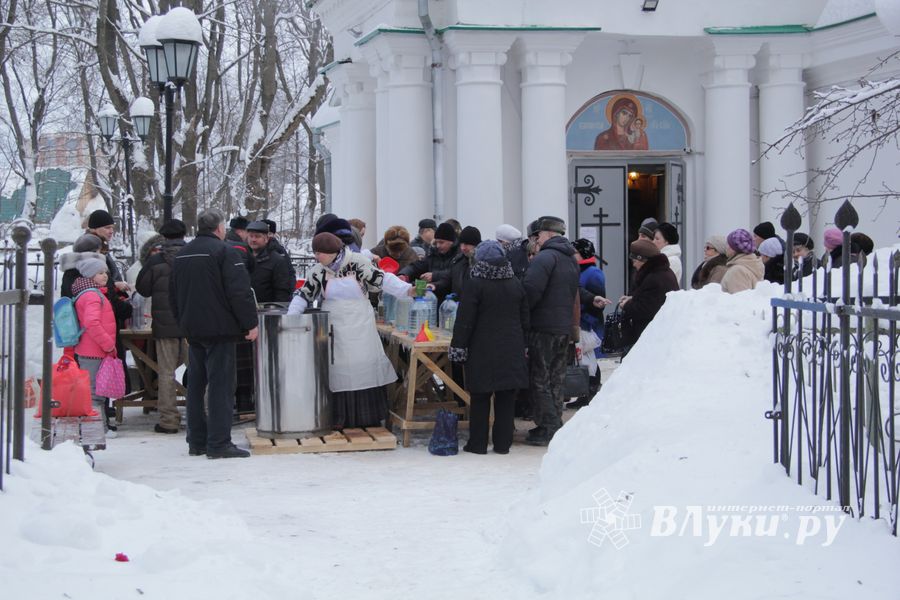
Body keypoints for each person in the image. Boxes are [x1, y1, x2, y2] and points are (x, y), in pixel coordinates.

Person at [287, 232, 412, 429]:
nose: (316, 257)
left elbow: (382, 279)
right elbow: (304, 294)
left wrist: (406, 290)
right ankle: (338, 419)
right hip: (334, 325)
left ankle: (366, 419)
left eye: (319, 253)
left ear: (332, 252)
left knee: (362, 368)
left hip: (359, 324)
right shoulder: (319, 271)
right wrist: (292, 316)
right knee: (339, 372)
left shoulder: (357, 263)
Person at [170, 208, 259, 459]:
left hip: (193, 329)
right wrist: (250, 324)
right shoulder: (225, 252)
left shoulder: (182, 254)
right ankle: (219, 443)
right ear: (220, 228)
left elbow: (173, 295)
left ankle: (196, 441)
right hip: (221, 330)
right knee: (221, 386)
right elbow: (239, 292)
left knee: (196, 385)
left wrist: (183, 323)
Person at [449, 240, 529, 455]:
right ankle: (503, 444)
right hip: (511, 347)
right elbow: (525, 319)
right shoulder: (515, 283)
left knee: (480, 397)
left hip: (481, 348)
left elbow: (465, 320)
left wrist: (458, 346)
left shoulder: (475, 283)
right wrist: (525, 344)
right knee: (505, 398)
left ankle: (478, 443)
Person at [522, 216, 580, 446]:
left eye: (537, 235)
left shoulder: (545, 258)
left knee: (540, 379)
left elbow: (530, 292)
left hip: (543, 328)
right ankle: (553, 424)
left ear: (546, 234)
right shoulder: (570, 259)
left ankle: (549, 428)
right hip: (563, 327)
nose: (536, 239)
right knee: (556, 379)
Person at [135, 219, 188, 434]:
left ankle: (169, 420)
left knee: (166, 373)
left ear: (163, 237)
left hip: (165, 326)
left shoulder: (155, 261)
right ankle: (201, 414)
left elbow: (143, 288)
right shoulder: (193, 257)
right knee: (199, 370)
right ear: (184, 234)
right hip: (192, 324)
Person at [71, 257, 118, 425]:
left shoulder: (89, 293)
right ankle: (95, 429)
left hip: (90, 349)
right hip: (94, 351)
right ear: (90, 275)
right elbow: (92, 323)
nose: (105, 275)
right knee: (94, 394)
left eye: (105, 272)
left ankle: (98, 427)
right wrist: (108, 344)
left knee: (95, 392)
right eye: (100, 273)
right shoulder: (92, 295)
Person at [569, 238, 609, 409]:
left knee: (589, 359)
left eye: (575, 252)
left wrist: (586, 321)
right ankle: (584, 393)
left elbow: (596, 305)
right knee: (584, 359)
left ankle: (591, 393)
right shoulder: (578, 270)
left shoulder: (593, 273)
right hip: (581, 321)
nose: (572, 255)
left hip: (588, 323)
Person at [619, 239, 679, 347]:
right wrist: (632, 299)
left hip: (651, 338)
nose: (633, 265)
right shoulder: (662, 272)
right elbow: (648, 299)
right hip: (656, 335)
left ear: (642, 259)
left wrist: (627, 305)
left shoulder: (654, 278)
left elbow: (645, 308)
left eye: (634, 261)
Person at [398, 222, 459, 294]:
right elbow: (416, 266)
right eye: (436, 242)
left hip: (451, 298)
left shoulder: (459, 255)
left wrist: (434, 276)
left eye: (441, 242)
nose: (438, 246)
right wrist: (404, 275)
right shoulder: (433, 253)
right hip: (431, 295)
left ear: (451, 242)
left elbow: (455, 273)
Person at [246, 221, 295, 303]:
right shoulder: (241, 256)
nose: (253, 239)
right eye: (251, 236)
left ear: (266, 239)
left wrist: (276, 311)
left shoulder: (277, 260)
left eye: (257, 236)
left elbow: (282, 290)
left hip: (268, 309)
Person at [433, 225, 481, 300]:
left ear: (476, 245)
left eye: (466, 244)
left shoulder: (483, 264)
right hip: (457, 306)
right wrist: (435, 285)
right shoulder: (458, 261)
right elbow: (447, 280)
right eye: (461, 244)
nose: (462, 248)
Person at [85, 209, 128, 292]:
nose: (111, 231)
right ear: (94, 229)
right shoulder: (88, 250)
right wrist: (115, 285)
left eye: (112, 228)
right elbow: (88, 283)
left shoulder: (102, 248)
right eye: (107, 227)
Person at [720, 229, 764, 294]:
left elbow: (740, 301)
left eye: (728, 244)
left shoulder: (737, 271)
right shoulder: (751, 264)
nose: (726, 247)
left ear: (734, 248)